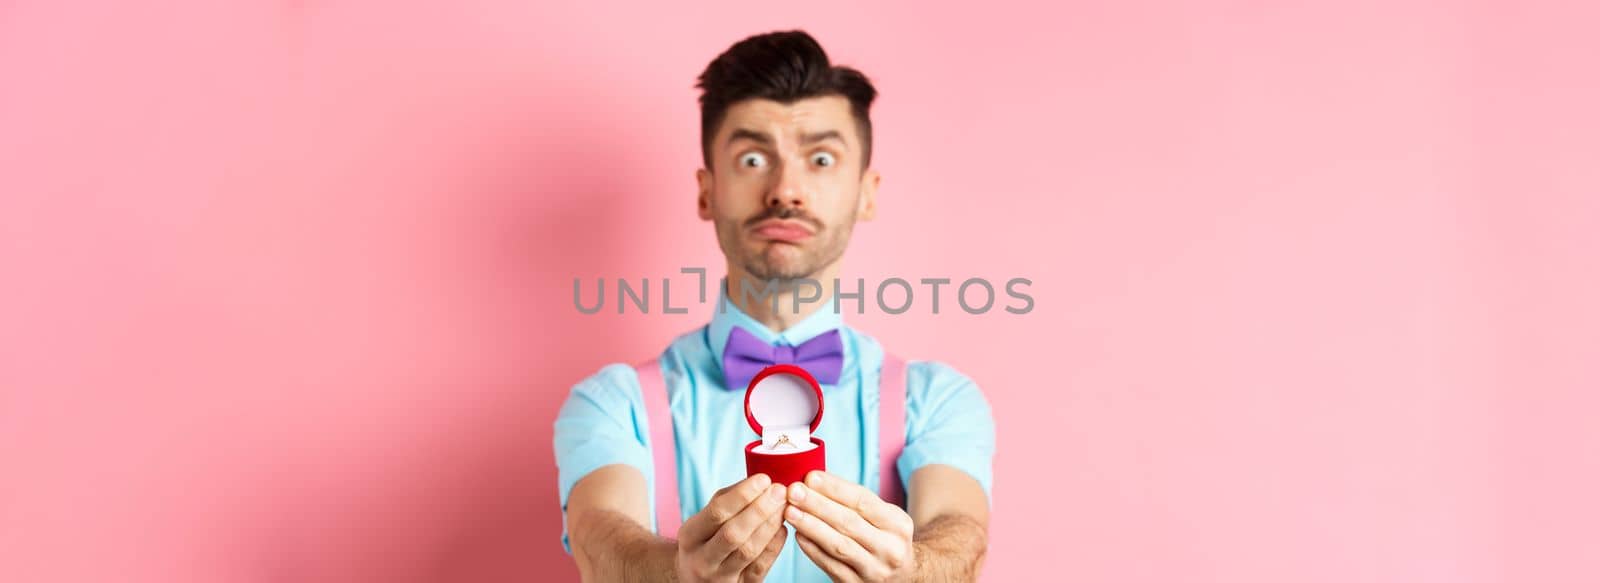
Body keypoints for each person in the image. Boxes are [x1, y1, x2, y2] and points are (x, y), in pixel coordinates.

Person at [554, 30, 994, 582]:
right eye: (754, 157)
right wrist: (676, 574)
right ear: (707, 191)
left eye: (822, 158)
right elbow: (601, 542)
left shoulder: (937, 401)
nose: (786, 190)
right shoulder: (613, 405)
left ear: (866, 193)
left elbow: (962, 536)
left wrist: (917, 570)